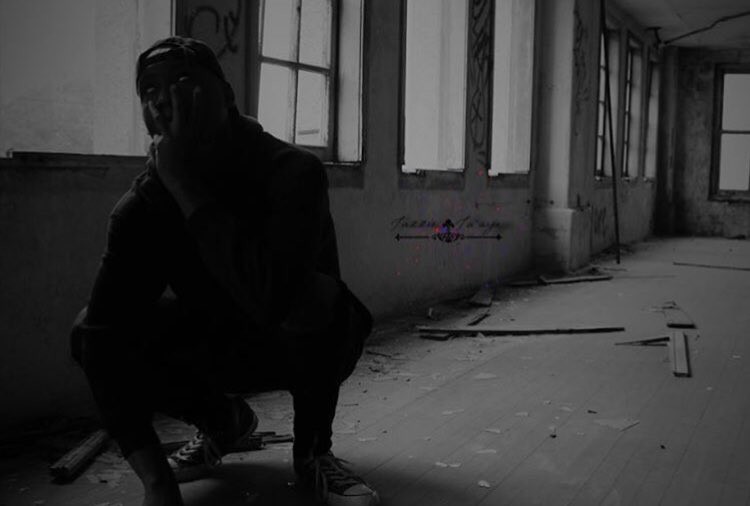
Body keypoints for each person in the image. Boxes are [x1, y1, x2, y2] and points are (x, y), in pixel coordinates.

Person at [70, 36, 379, 506]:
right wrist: (157, 485)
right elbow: (101, 335)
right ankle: (223, 422)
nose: (164, 98)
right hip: (215, 343)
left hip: (294, 343)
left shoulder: (293, 172)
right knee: (91, 328)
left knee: (317, 299)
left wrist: (184, 186)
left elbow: (274, 301)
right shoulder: (144, 204)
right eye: (149, 89)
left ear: (228, 95)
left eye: (182, 80)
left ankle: (314, 450)